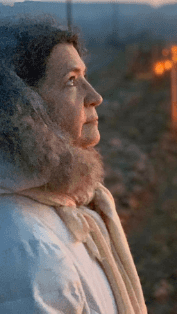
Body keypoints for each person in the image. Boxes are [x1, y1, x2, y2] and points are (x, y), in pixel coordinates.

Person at [0, 16, 147, 313]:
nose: (95, 96)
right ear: (23, 108)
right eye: (71, 81)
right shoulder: (27, 248)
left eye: (85, 77)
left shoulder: (64, 204)